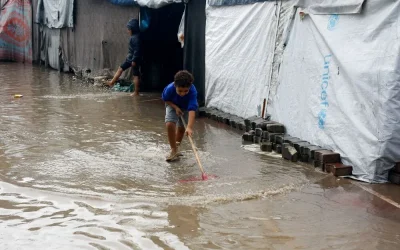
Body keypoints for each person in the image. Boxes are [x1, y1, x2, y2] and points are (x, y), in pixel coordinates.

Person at [162, 70, 198, 162]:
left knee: (182, 129)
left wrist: (189, 127)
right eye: (180, 91)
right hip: (172, 104)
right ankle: (173, 149)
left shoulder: (193, 92)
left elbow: (192, 110)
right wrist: (175, 107)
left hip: (186, 107)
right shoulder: (170, 88)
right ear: (175, 86)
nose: (182, 93)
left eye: (186, 91)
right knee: (170, 124)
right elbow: (166, 100)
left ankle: (176, 147)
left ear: (190, 87)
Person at [107, 18, 141, 96]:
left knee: (135, 75)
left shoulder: (135, 38)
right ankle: (112, 82)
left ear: (132, 29)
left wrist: (134, 60)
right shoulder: (135, 37)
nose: (128, 31)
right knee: (121, 69)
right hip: (131, 59)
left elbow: (137, 50)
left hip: (133, 59)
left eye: (129, 29)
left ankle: (136, 92)